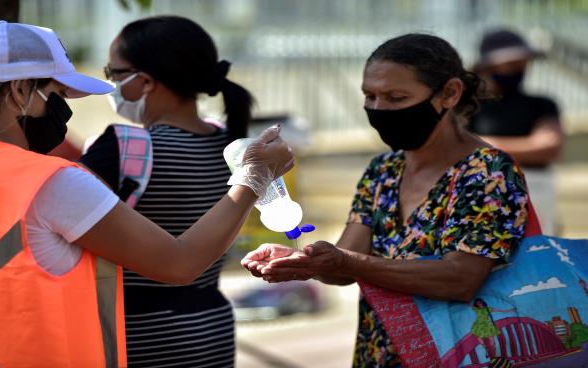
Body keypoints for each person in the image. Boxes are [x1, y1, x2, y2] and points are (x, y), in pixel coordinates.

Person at [0, 21, 292, 367]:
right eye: (58, 94)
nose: (65, 111)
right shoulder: (52, 183)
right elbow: (180, 264)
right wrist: (254, 177)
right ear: (19, 90)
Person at [241, 33, 532, 367]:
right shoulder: (384, 169)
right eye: (370, 96)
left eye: (396, 97)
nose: (379, 110)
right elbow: (345, 264)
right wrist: (303, 260)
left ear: (449, 93)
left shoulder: (488, 171)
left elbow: (461, 278)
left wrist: (342, 262)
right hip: (382, 353)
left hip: (462, 355)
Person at [80, 16, 254, 367]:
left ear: (144, 82)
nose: (111, 83)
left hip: (138, 334)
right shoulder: (231, 144)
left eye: (114, 73)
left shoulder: (120, 146)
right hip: (212, 326)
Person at [468, 29, 564, 235]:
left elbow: (548, 147)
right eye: (510, 64)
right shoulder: (470, 107)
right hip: (483, 188)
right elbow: (452, 147)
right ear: (489, 66)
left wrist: (479, 144)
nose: (519, 68)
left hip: (535, 186)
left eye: (522, 63)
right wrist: (526, 146)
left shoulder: (541, 104)